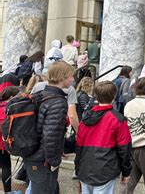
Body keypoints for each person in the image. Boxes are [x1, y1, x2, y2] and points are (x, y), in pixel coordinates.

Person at [75, 81, 132, 193]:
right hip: (105, 169)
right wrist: (126, 172)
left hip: (86, 168)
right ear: (114, 96)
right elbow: (124, 149)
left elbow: (79, 147)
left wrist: (78, 171)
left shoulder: (85, 118)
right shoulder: (118, 119)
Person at [25, 61, 73, 194]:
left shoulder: (40, 95)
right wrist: (54, 160)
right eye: (70, 76)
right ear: (62, 77)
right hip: (43, 159)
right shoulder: (58, 101)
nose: (73, 79)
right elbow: (50, 135)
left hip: (32, 153)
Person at [0, 86, 20, 193]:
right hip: (2, 144)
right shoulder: (7, 109)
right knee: (6, 167)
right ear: (12, 97)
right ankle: (8, 191)